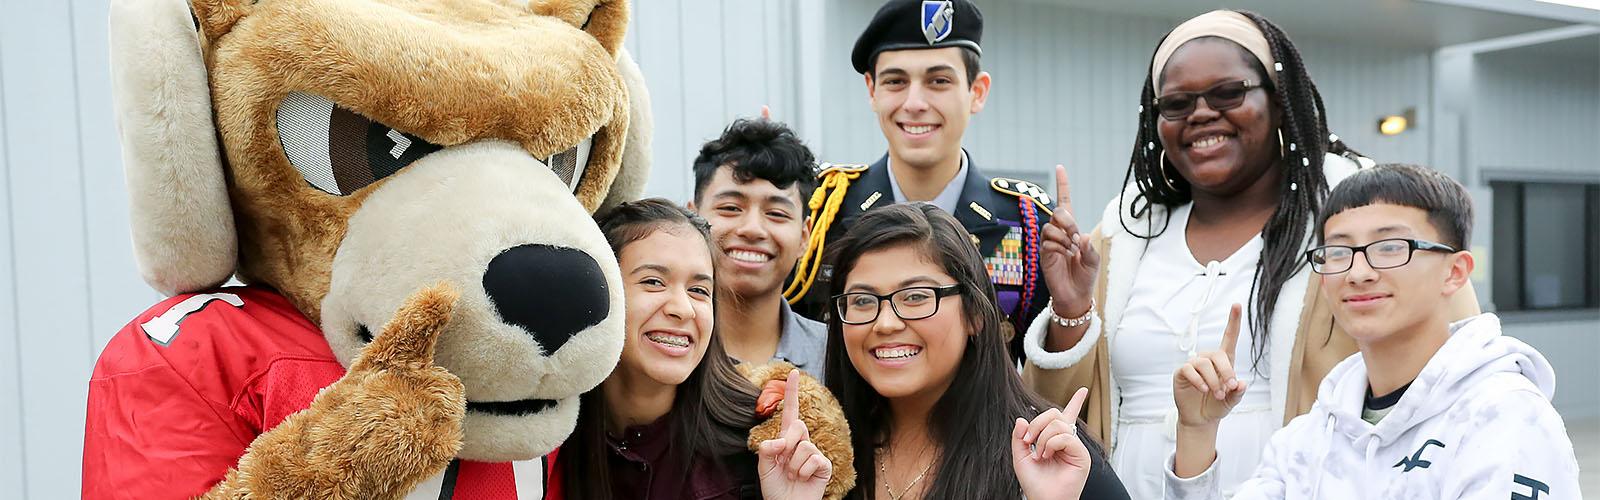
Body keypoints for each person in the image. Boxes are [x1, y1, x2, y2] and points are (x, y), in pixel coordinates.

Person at [1018, 10, 1480, 498]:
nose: (1201, 114)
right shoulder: (1124, 235)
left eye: (1228, 93)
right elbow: (1053, 415)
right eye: (1175, 103)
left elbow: (1461, 368)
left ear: (1278, 102)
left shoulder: (1356, 222)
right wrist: (1070, 312)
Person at [1166, 163, 1581, 499]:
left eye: (1390, 248)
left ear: (1455, 272)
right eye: (1338, 251)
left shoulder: (1505, 418)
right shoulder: (1317, 430)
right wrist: (1197, 433)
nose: (1358, 272)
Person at [788, 0, 1059, 362]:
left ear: (977, 92)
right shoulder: (823, 213)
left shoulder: (1028, 221)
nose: (915, 102)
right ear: (872, 90)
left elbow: (1047, 369)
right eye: (896, 81)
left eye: (938, 81)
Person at [822, 202, 1129, 500]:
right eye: (862, 300)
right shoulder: (817, 454)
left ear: (975, 314)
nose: (885, 323)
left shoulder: (1053, 454)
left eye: (916, 296)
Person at [557, 199, 832, 500]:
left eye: (699, 290)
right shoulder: (546, 434)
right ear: (601, 290)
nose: (683, 309)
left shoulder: (766, 442)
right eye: (654, 282)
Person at [690, 118, 830, 382]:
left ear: (804, 236)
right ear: (693, 218)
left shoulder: (837, 356)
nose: (752, 229)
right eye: (730, 208)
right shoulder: (663, 347)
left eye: (776, 213)